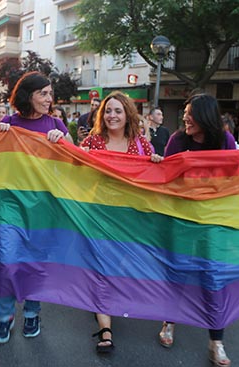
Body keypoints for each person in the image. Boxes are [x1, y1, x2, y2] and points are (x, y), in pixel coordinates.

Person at [0, 71, 73, 344]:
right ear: (28, 95)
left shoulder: (55, 124)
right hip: (11, 206)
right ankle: (4, 317)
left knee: (34, 264)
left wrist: (61, 141)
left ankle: (31, 313)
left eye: (50, 94)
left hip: (43, 207)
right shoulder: (8, 123)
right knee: (7, 261)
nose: (49, 99)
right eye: (44, 93)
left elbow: (75, 159)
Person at [80, 91, 162, 354]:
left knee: (118, 269)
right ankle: (105, 329)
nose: (112, 115)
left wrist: (158, 163)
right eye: (108, 111)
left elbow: (152, 179)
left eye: (117, 111)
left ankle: (104, 300)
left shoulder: (142, 145)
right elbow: (74, 167)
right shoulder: (93, 142)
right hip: (99, 216)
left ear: (128, 115)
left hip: (130, 219)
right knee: (101, 269)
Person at [161, 93, 236, 367]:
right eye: (184, 112)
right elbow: (166, 178)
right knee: (177, 271)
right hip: (180, 219)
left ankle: (216, 341)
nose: (184, 118)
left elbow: (234, 177)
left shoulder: (225, 141)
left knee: (214, 278)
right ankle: (169, 322)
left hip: (214, 221)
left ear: (205, 116)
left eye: (190, 113)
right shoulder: (177, 141)